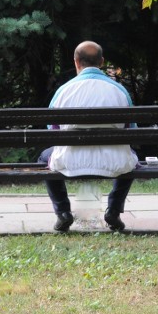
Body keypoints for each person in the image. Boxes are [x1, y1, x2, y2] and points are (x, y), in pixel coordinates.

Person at [38, 41, 138, 233]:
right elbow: (131, 129)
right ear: (101, 62)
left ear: (76, 62)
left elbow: (53, 130)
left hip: (69, 160)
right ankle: (114, 211)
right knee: (131, 157)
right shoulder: (119, 91)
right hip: (115, 161)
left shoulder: (64, 91)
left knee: (44, 156)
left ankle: (63, 213)